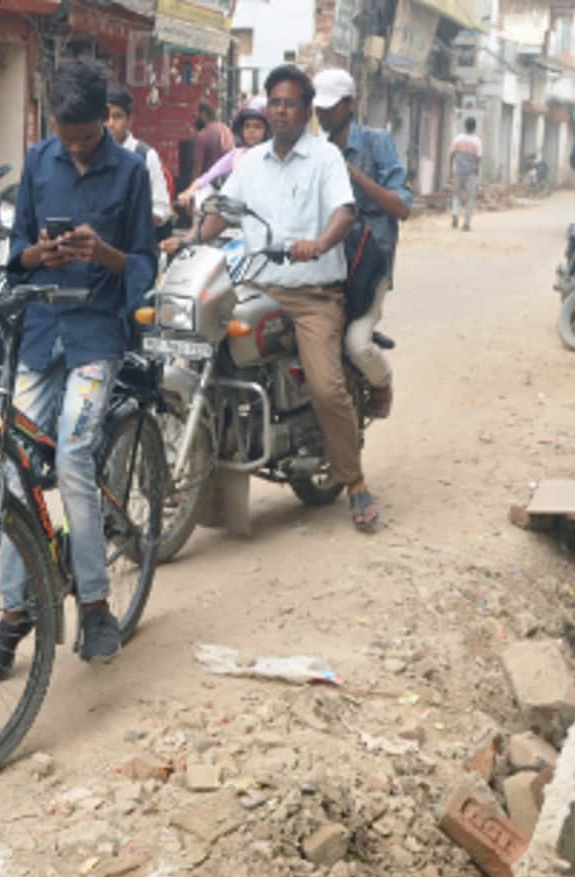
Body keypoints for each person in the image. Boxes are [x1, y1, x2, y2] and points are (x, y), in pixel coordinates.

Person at [0, 58, 157, 680]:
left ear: (103, 124)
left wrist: (104, 254)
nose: (76, 148)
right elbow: (17, 256)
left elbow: (143, 266)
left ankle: (97, 603)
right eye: (67, 137)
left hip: (95, 336)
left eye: (86, 137)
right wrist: (41, 252)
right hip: (40, 334)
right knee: (11, 466)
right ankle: (15, 611)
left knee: (75, 456)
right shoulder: (37, 163)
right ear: (53, 122)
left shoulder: (132, 172)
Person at [199, 65, 377, 532]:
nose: (280, 110)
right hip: (256, 285)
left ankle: (355, 482)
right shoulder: (251, 162)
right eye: (273, 102)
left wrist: (318, 242)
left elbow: (344, 210)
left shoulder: (324, 159)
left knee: (325, 386)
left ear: (306, 110)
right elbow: (222, 210)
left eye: (289, 103)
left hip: (313, 295)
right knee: (206, 347)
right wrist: (193, 234)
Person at [313, 68, 409, 420]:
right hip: (326, 263)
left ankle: (381, 382)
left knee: (356, 343)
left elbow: (402, 207)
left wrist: (351, 173)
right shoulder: (316, 150)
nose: (322, 114)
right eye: (318, 107)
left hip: (369, 263)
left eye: (330, 107)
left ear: (350, 105)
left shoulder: (375, 143)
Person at [163, 98, 268, 257]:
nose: (252, 131)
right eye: (248, 126)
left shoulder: (273, 160)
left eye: (257, 127)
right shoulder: (237, 155)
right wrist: (190, 192)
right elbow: (208, 177)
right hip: (237, 228)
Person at [107, 85, 172, 232]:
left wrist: (137, 223)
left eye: (117, 116)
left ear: (129, 120)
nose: (110, 123)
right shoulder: (90, 155)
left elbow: (162, 207)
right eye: (106, 117)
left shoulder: (145, 155)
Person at [449, 117, 484, 230]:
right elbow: (478, 158)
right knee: (470, 198)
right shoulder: (476, 141)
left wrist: (450, 170)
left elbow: (452, 154)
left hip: (458, 171)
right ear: (474, 127)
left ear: (465, 126)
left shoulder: (458, 139)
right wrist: (477, 170)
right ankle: (466, 223)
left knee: (456, 195)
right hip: (471, 173)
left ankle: (455, 213)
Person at [192, 100, 235, 180]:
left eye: (195, 116)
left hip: (209, 184)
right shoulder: (225, 129)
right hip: (227, 181)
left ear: (203, 114)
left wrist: (193, 188)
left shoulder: (203, 135)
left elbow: (197, 166)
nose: (194, 120)